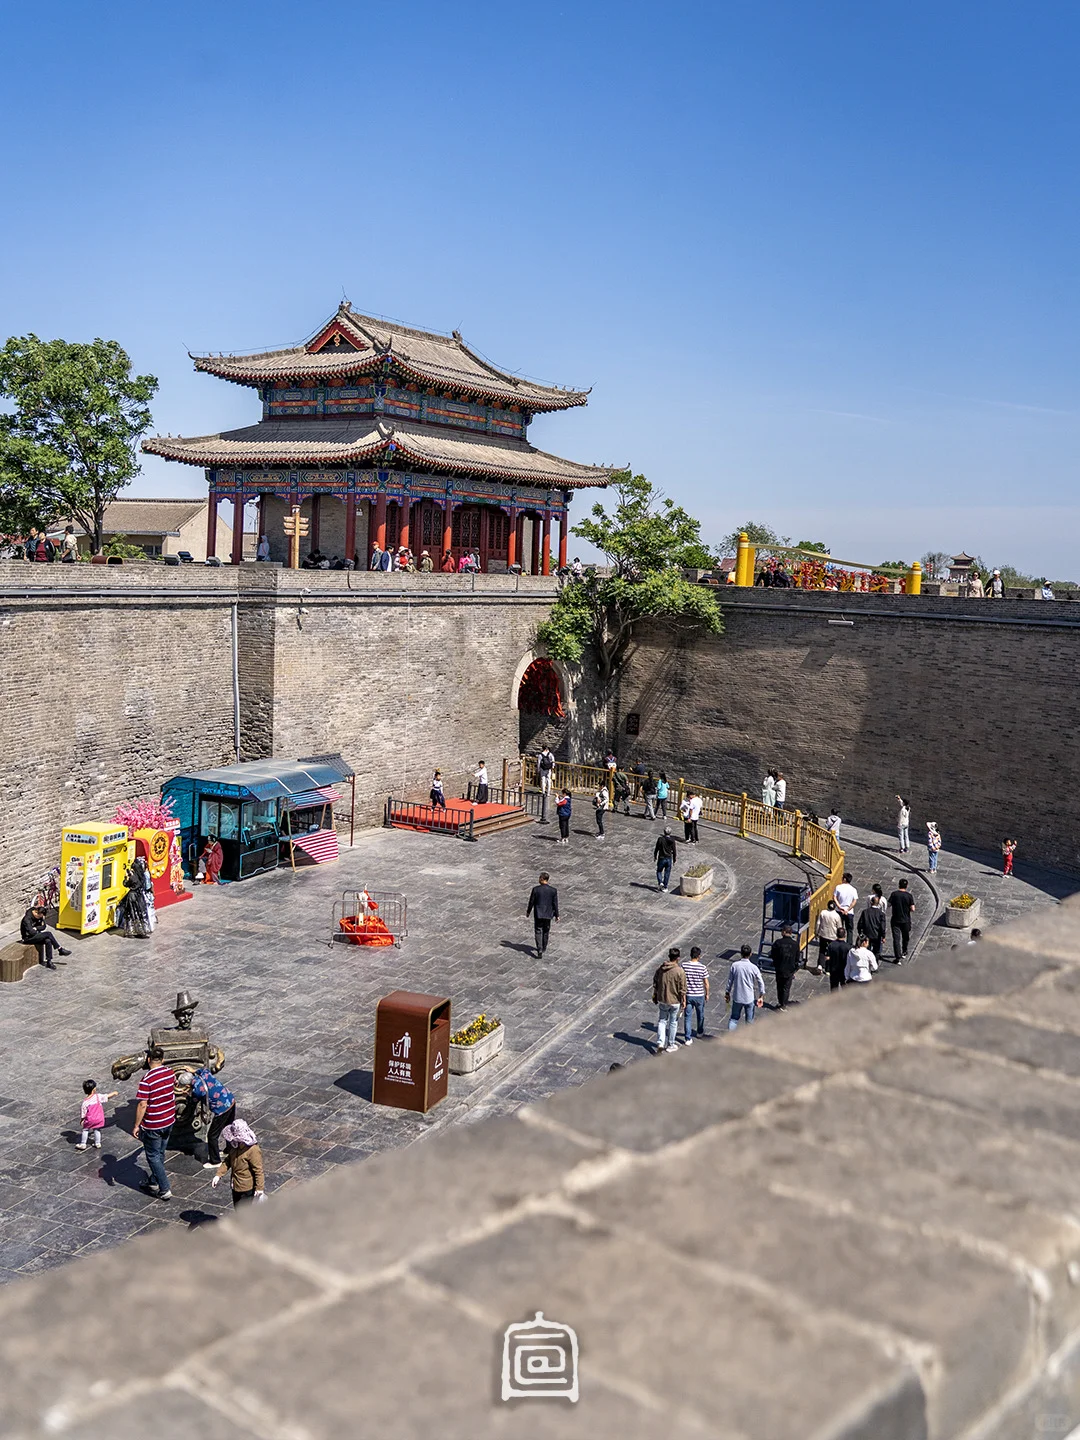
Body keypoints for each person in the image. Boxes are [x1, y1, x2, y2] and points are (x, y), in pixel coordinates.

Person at [133, 1045, 175, 1200]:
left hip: (154, 1124)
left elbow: (142, 1104)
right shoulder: (170, 1072)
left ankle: (164, 1188)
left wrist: (137, 1125)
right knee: (161, 1152)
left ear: (149, 1060)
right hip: (169, 1120)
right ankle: (153, 1180)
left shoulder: (146, 1080)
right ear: (162, 1059)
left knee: (153, 1156)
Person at [186, 1066, 236, 1167]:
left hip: (221, 1109)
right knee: (228, 1128)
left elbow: (193, 1100)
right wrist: (193, 1070)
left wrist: (188, 1093)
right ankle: (230, 1150)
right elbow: (203, 1069)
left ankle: (215, 1161)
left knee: (212, 1136)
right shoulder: (205, 1074)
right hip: (230, 1100)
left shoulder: (197, 1090)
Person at [210, 1120, 266, 1207]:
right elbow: (228, 1161)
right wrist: (218, 1175)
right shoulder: (235, 1146)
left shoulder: (253, 1150)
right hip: (235, 1185)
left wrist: (259, 1188)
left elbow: (258, 1170)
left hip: (247, 1188)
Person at [652, 947, 687, 1054]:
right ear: (678, 958)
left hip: (662, 999)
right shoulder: (680, 971)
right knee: (673, 1023)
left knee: (662, 1021)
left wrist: (655, 994)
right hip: (675, 1001)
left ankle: (660, 1043)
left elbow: (655, 982)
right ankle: (671, 1044)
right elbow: (683, 989)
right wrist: (684, 1001)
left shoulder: (661, 969)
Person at [725, 945, 765, 1029]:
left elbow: (730, 981)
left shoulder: (735, 965)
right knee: (749, 1021)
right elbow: (761, 982)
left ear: (741, 954)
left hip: (737, 997)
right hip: (749, 998)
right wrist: (761, 995)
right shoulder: (754, 967)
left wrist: (727, 992)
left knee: (734, 1019)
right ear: (750, 954)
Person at [117, 855, 156, 938]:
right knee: (140, 914)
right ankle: (141, 930)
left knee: (131, 914)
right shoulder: (142, 877)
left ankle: (131, 931)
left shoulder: (133, 877)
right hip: (139, 897)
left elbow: (125, 884)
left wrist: (125, 878)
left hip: (132, 896)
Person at [77, 1079, 118, 1150]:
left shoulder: (85, 1102)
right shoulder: (98, 1097)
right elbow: (107, 1096)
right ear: (94, 1089)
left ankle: (83, 1144)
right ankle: (98, 1143)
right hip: (99, 1119)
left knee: (85, 1130)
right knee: (97, 1130)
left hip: (90, 1120)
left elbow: (83, 1113)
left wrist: (82, 1120)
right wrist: (114, 1093)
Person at [526, 872, 559, 958]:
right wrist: (557, 915)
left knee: (538, 930)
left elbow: (531, 902)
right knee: (546, 931)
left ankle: (539, 949)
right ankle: (544, 947)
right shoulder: (553, 890)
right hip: (548, 914)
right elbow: (555, 903)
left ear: (542, 879)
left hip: (538, 913)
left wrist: (528, 911)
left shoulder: (536, 889)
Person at [770, 925, 801, 1011]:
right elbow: (797, 958)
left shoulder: (777, 943)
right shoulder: (795, 944)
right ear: (791, 933)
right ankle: (784, 1004)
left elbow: (773, 955)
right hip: (790, 970)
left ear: (783, 932)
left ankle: (780, 1002)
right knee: (787, 987)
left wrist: (776, 963)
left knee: (779, 986)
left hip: (779, 968)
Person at [682, 947, 710, 1042]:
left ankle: (687, 1038)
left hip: (688, 995)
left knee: (688, 1017)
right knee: (700, 1015)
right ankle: (699, 1032)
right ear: (699, 956)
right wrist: (707, 994)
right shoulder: (702, 967)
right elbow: (706, 983)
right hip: (699, 995)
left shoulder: (684, 965)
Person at [888, 878, 916, 964]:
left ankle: (898, 957)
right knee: (905, 937)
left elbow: (888, 904)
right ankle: (904, 951)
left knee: (896, 939)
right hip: (906, 920)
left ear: (899, 885)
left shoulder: (894, 894)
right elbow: (913, 909)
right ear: (906, 886)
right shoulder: (909, 896)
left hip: (895, 919)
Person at [815, 900, 844, 971]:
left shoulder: (823, 913)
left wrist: (816, 932)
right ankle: (829, 967)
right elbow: (839, 927)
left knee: (822, 949)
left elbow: (818, 923)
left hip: (823, 934)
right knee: (832, 951)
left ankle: (820, 965)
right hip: (833, 936)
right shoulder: (837, 916)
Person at [857, 891, 887, 960]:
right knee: (876, 951)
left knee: (867, 950)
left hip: (867, 934)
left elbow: (860, 924)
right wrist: (883, 936)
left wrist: (860, 933)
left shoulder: (865, 912)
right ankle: (875, 965)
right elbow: (882, 926)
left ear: (871, 902)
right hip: (877, 935)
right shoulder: (881, 914)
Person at [833, 872, 859, 945]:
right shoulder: (853, 889)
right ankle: (849, 944)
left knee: (839, 928)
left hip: (839, 911)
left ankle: (839, 942)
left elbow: (834, 897)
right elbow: (854, 901)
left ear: (844, 879)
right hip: (849, 912)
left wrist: (840, 907)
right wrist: (848, 909)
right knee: (849, 929)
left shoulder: (838, 887)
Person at [653, 826, 678, 892]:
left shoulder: (660, 839)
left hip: (661, 857)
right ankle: (665, 886)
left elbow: (657, 848)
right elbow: (674, 851)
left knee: (659, 871)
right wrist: (674, 859)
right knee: (667, 873)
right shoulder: (672, 840)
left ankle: (660, 882)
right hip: (669, 858)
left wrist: (655, 855)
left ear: (664, 832)